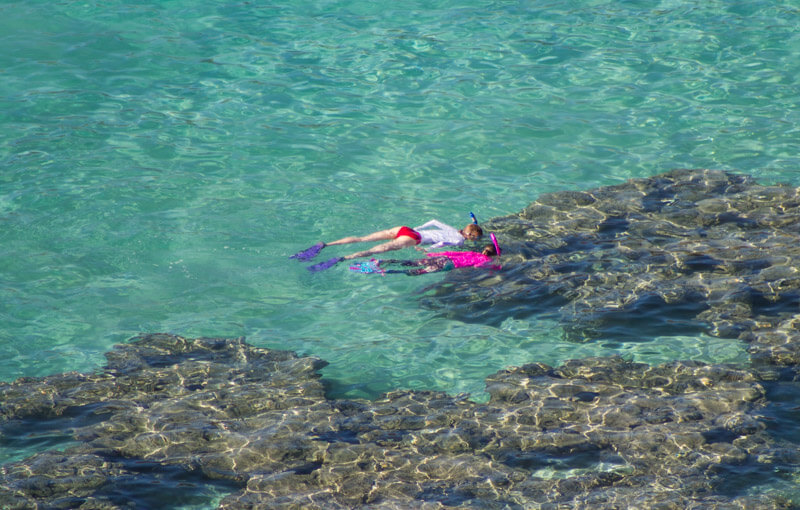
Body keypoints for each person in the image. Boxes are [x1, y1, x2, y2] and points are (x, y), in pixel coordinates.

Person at [291, 219, 483, 272]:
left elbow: (434, 221)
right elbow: (442, 243)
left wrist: (417, 227)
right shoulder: (459, 240)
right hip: (414, 240)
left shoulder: (451, 228)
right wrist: (428, 249)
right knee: (371, 251)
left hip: (407, 229)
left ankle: (324, 244)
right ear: (470, 236)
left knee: (362, 238)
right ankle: (342, 258)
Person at [352, 241, 500, 276]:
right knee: (419, 271)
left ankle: (381, 261)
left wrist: (431, 254)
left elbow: (450, 253)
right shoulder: (486, 260)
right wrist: (495, 268)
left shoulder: (472, 253)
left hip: (443, 258)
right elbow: (476, 267)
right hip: (447, 265)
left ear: (483, 249)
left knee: (410, 262)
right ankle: (386, 271)